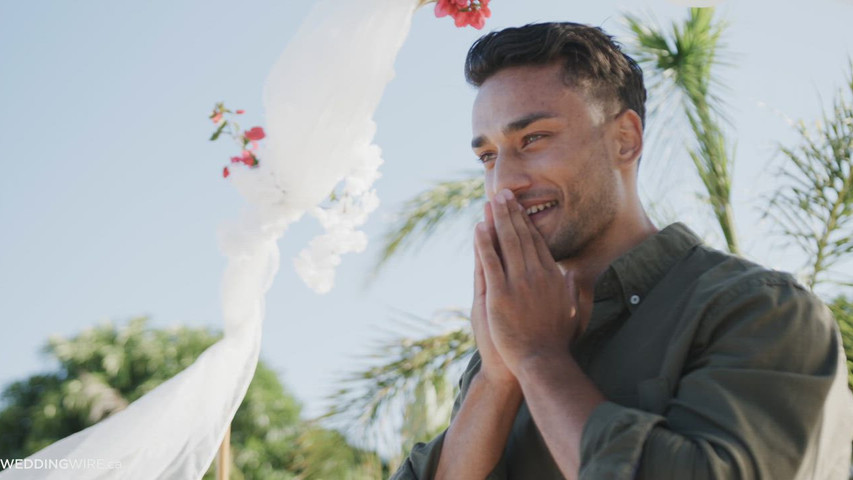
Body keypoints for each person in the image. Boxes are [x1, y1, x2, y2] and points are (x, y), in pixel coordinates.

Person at [391, 22, 853, 479]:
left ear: (625, 139)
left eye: (533, 139)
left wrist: (538, 360)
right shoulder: (501, 349)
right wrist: (497, 378)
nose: (504, 182)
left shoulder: (760, 310)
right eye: (488, 156)